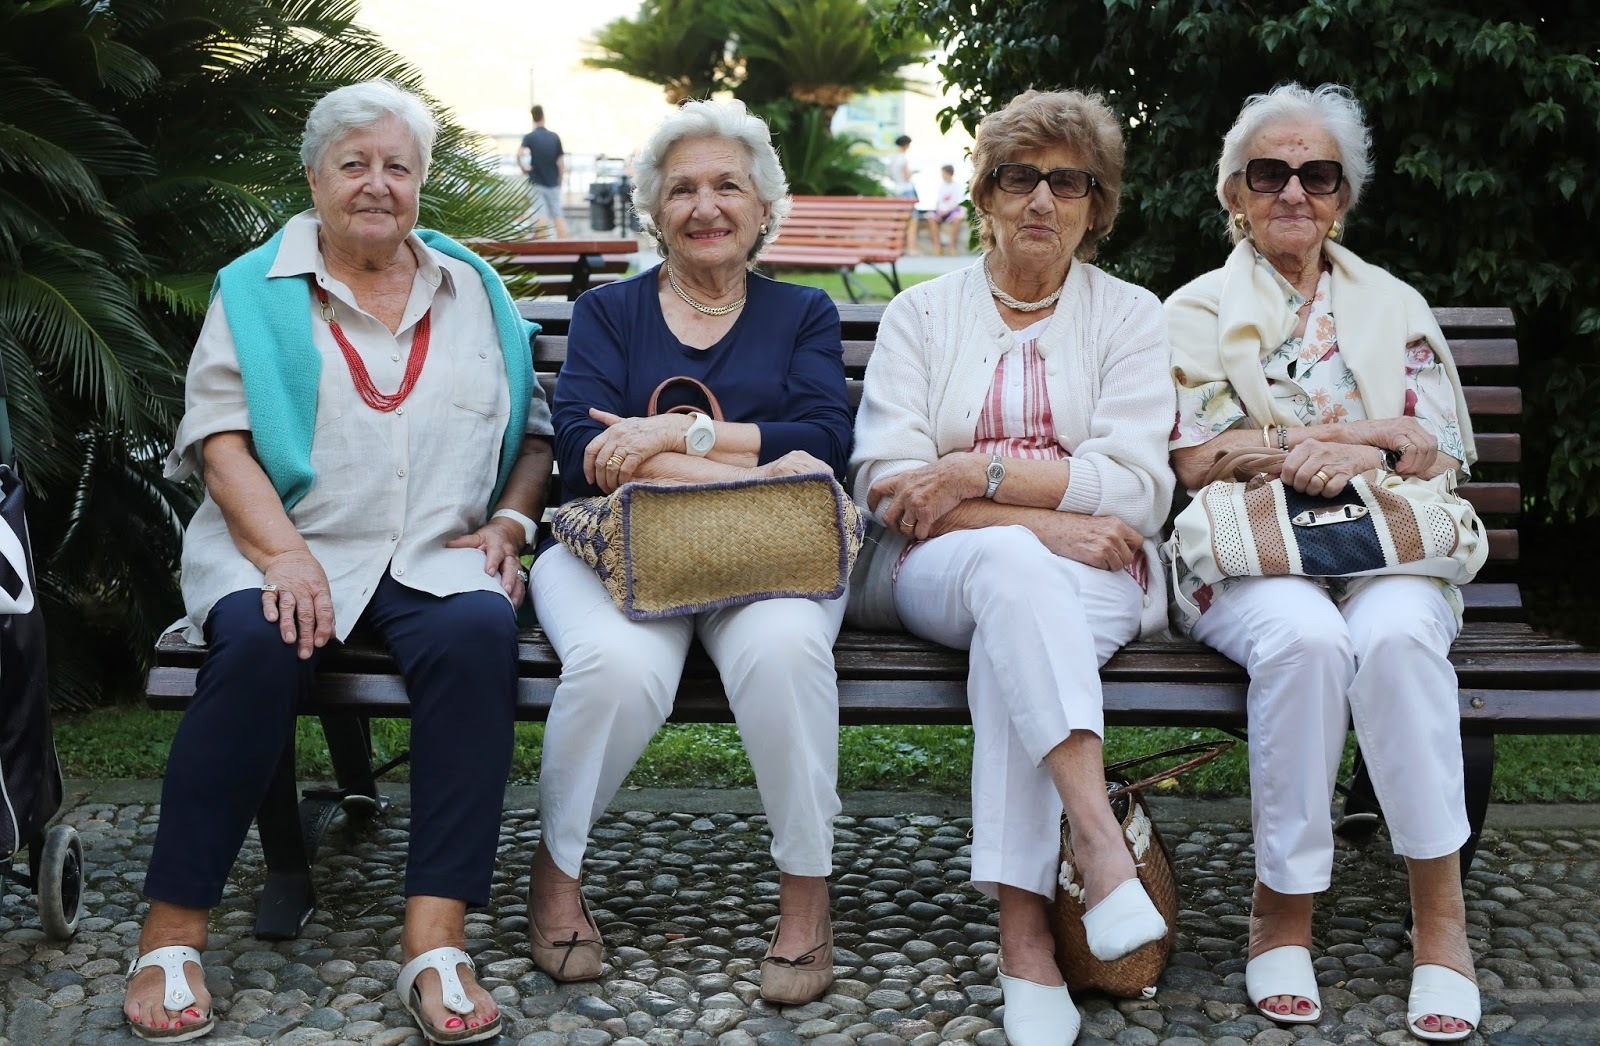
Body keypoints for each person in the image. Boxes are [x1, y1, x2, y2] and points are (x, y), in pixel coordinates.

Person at [123, 79, 554, 1045]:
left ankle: (436, 940)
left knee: (480, 631)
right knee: (259, 644)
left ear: (422, 182)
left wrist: (512, 526)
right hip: (284, 545)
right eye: (354, 164)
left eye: (397, 166)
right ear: (315, 176)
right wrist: (283, 554)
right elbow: (221, 440)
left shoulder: (472, 289)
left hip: (434, 554)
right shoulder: (255, 289)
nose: (376, 184)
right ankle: (172, 931)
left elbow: (534, 437)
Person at [850, 89, 1176, 1046]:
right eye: (1019, 178)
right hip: (932, 565)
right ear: (985, 196)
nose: (1042, 199)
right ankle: (1099, 845)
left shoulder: (1130, 317)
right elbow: (888, 483)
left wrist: (976, 473)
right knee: (1010, 570)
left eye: (1066, 182)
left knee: (1019, 628)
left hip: (1096, 574)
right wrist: (1040, 521)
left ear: (1095, 204)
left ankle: (1025, 936)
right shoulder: (922, 315)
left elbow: (1138, 491)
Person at [1165, 82, 1479, 1041]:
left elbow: (1441, 451)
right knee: (1304, 641)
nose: (1293, 191)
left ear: (1343, 195)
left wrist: (1360, 444)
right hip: (1253, 555)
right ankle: (1282, 912)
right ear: (1235, 192)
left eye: (1317, 174)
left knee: (1391, 640)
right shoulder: (1195, 309)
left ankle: (1442, 924)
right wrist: (1297, 451)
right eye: (1271, 173)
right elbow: (1192, 457)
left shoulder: (1393, 303)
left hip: (1391, 547)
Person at [527, 98, 852, 1006]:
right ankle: (556, 874)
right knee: (617, 666)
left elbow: (824, 441)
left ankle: (804, 897)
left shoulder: (802, 314)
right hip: (613, 553)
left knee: (786, 651)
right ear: (654, 210)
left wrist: (673, 440)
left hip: (770, 559)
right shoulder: (608, 312)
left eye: (726, 187)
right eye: (682, 190)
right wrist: (755, 456)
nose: (705, 206)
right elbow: (582, 452)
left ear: (760, 209)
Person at [520, 104, 568, 236]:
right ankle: (564, 247)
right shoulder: (554, 137)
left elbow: (519, 154)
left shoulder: (529, 137)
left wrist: (524, 169)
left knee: (540, 214)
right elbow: (561, 162)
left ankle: (543, 250)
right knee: (558, 215)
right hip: (553, 182)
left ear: (533, 117)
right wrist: (560, 180)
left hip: (536, 182)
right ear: (543, 116)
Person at [887, 133, 923, 252]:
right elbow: (906, 176)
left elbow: (891, 176)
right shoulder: (903, 158)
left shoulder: (892, 158)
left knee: (901, 220)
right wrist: (913, 172)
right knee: (913, 219)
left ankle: (898, 247)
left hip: (897, 191)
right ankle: (912, 248)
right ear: (906, 145)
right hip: (907, 191)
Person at [925, 163, 967, 255]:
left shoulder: (957, 186)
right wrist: (939, 210)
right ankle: (937, 246)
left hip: (951, 211)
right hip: (941, 211)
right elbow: (939, 201)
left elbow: (959, 203)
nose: (942, 176)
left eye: (943, 173)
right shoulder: (942, 186)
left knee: (956, 219)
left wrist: (947, 211)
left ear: (948, 173)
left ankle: (951, 246)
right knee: (930, 217)